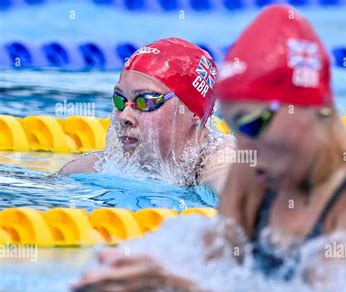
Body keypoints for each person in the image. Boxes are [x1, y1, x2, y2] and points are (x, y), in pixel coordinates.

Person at [72, 5, 346, 292]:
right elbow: (222, 267)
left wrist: (174, 288)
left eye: (253, 123)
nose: (242, 142)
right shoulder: (254, 171)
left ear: (312, 108)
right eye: (234, 125)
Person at [58, 38, 234, 195]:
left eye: (145, 102)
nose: (124, 116)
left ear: (194, 112)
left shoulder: (223, 164)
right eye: (120, 100)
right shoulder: (97, 168)